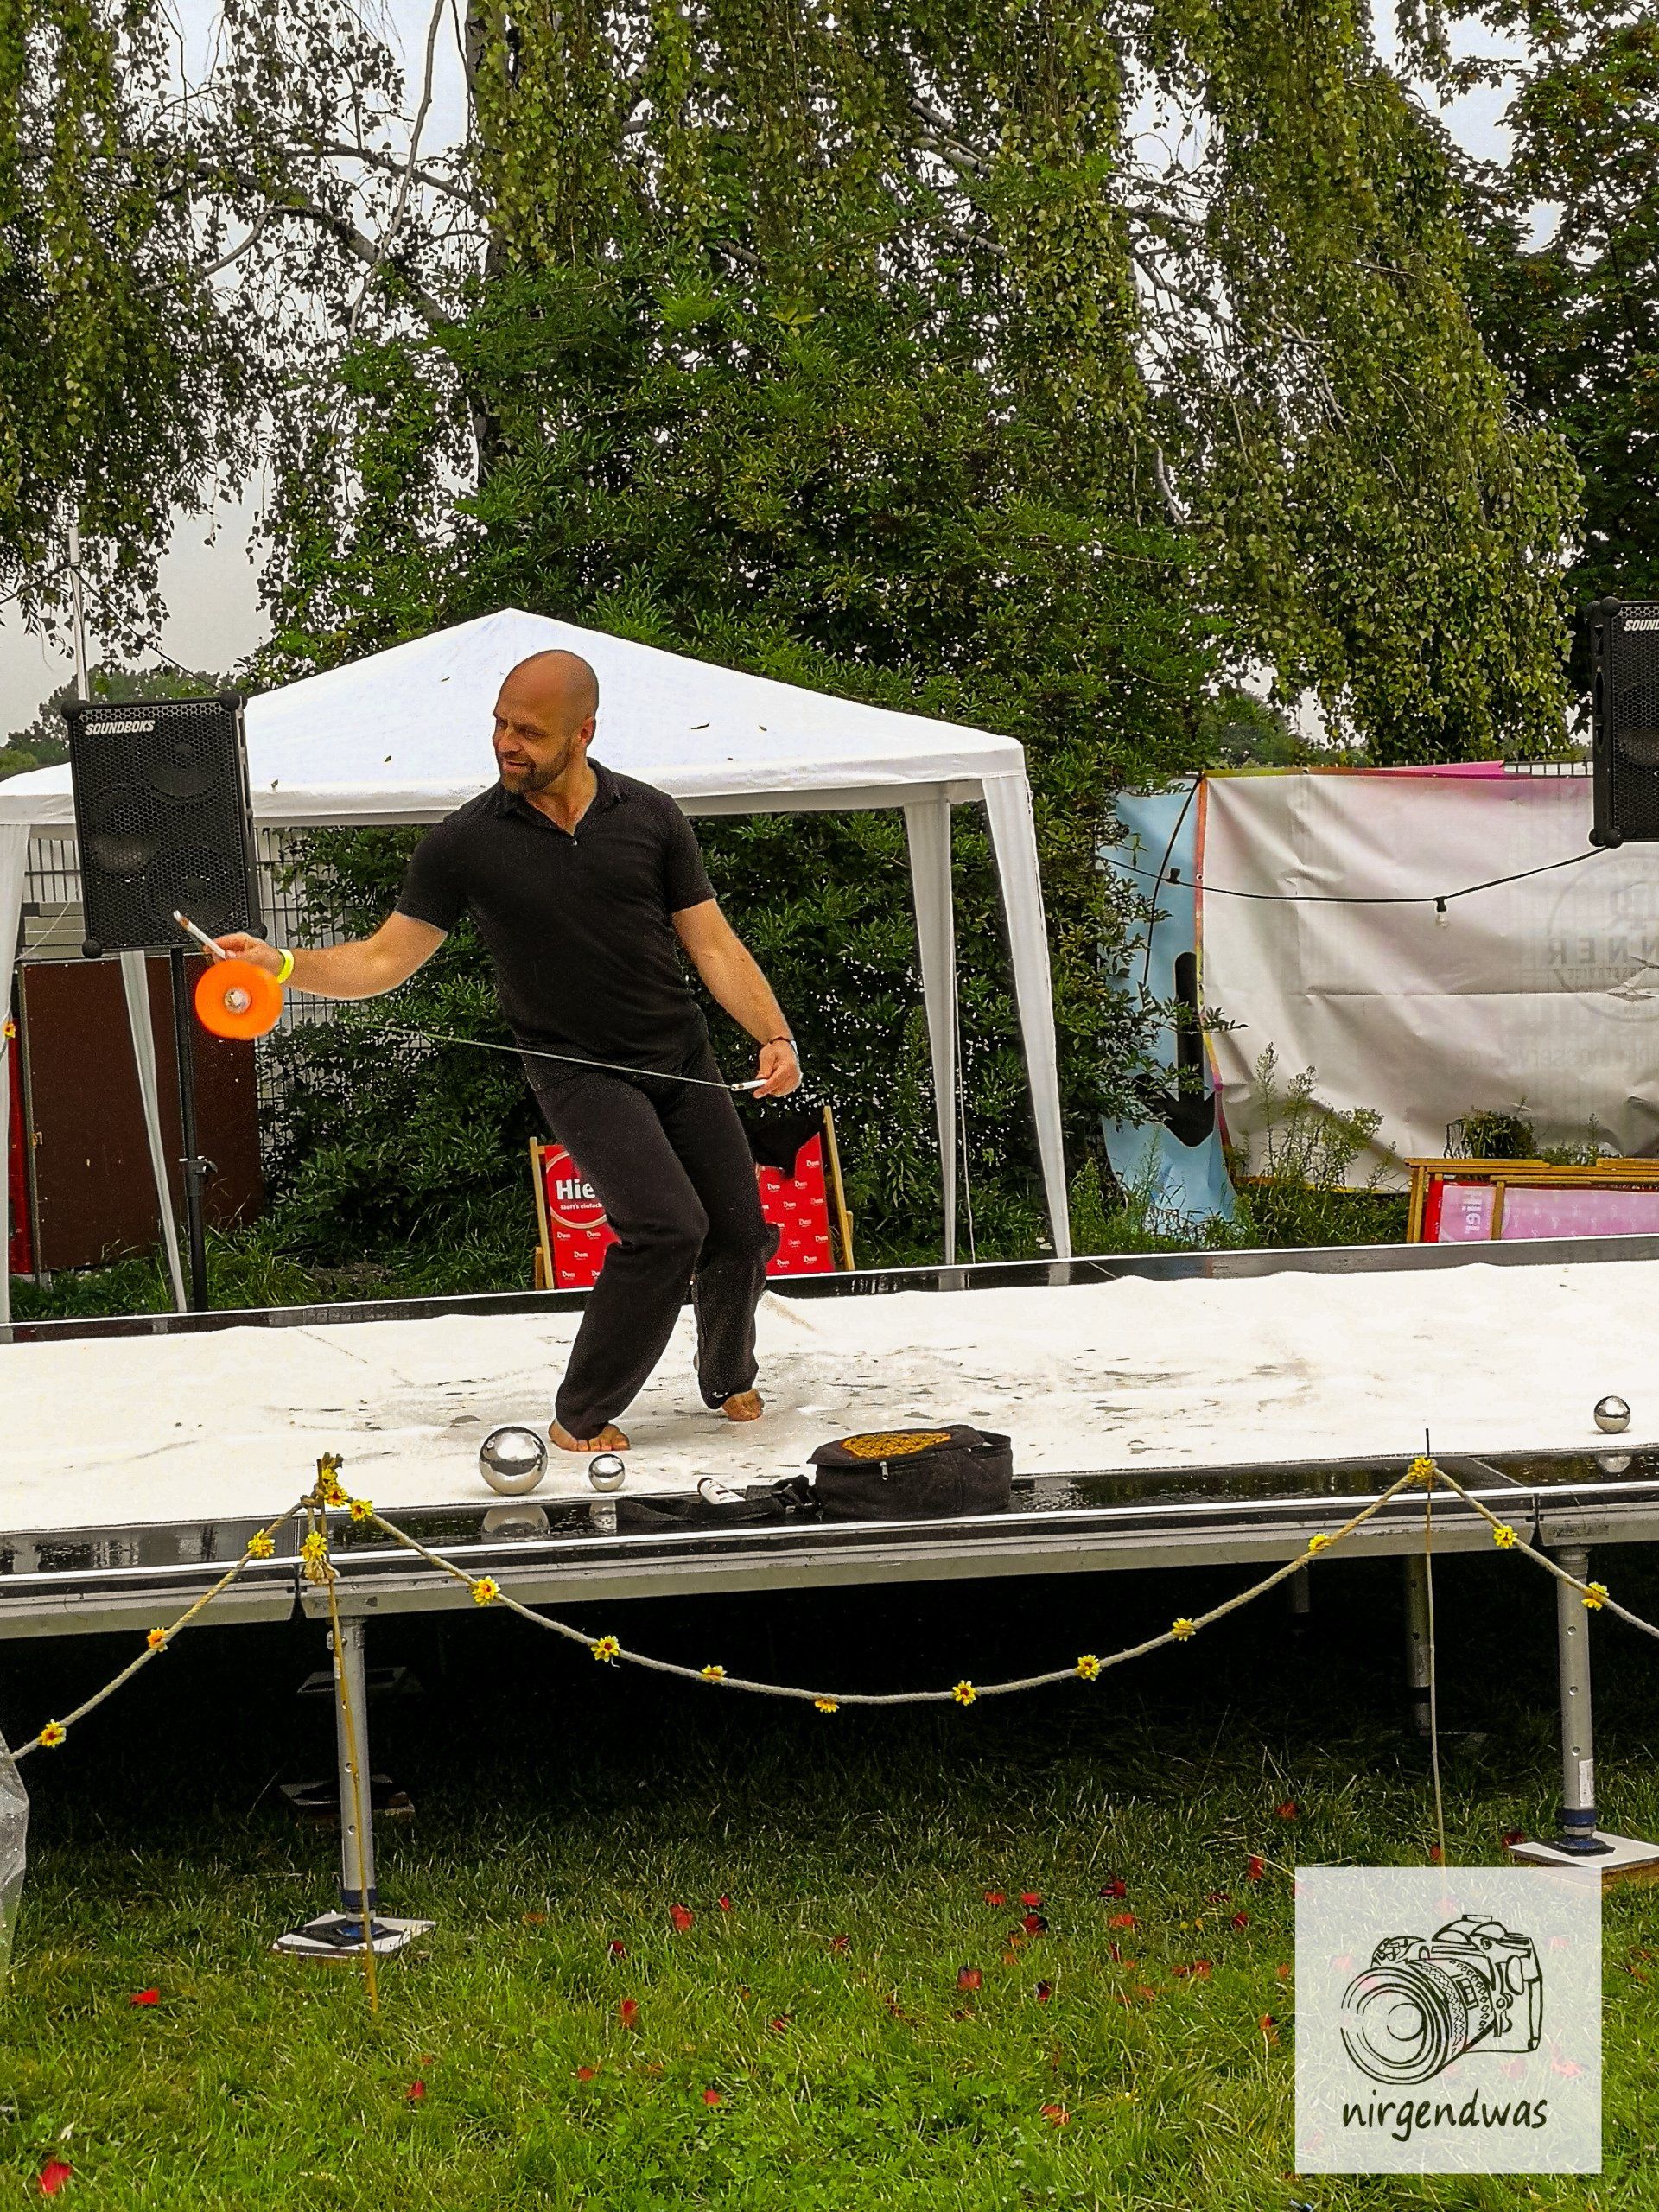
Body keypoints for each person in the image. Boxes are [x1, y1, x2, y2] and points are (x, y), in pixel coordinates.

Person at [218, 647, 801, 1453]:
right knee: (668, 1229)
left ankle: (727, 1375)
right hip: (578, 1073)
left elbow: (713, 944)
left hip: (680, 1058)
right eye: (499, 725)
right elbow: (383, 961)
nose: (505, 743)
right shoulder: (466, 842)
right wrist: (281, 965)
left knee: (737, 1232)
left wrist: (774, 1034)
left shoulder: (650, 817)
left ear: (583, 733)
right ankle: (580, 1415)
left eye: (528, 731)